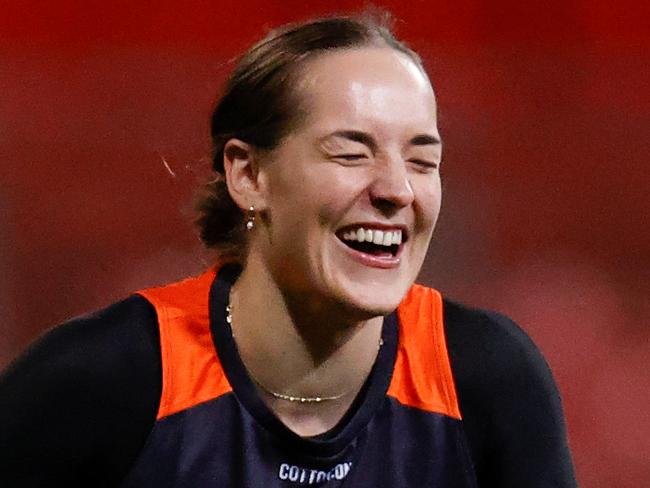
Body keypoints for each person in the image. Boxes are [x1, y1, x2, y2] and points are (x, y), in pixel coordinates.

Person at [0, 14, 577, 487]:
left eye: (423, 161)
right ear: (248, 175)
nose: (398, 189)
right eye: (350, 153)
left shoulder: (485, 379)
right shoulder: (102, 381)